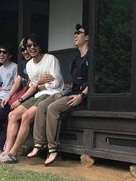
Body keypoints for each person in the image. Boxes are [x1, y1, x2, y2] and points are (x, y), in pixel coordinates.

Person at [0, 33, 63, 164]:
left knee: (26, 116)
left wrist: (38, 84)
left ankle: (13, 153)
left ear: (40, 46)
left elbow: (55, 84)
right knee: (12, 115)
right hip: (37, 95)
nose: (32, 48)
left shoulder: (50, 59)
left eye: (34, 45)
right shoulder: (29, 65)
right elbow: (33, 86)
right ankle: (6, 151)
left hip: (52, 95)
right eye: (29, 45)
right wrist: (38, 84)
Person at [28, 24, 90, 166]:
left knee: (53, 108)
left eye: (78, 33)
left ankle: (53, 148)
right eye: (75, 33)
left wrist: (82, 95)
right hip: (70, 92)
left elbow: (94, 82)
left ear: (87, 37)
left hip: (80, 96)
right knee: (43, 105)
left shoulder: (90, 57)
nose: (75, 35)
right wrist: (63, 92)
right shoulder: (76, 59)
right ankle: (39, 143)